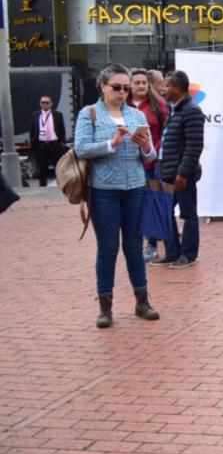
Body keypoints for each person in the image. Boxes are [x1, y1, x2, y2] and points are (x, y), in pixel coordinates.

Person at [73, 63, 160, 328]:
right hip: (103, 191)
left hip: (134, 188)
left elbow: (151, 157)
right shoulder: (90, 114)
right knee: (108, 247)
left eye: (126, 88)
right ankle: (105, 307)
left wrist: (146, 148)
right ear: (102, 86)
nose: (122, 93)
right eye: (117, 88)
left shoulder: (136, 116)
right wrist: (111, 143)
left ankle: (142, 301)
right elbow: (81, 148)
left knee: (134, 247)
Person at [155, 70, 205, 270]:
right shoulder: (173, 109)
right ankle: (172, 253)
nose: (163, 89)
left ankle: (188, 254)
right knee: (165, 212)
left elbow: (194, 145)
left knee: (188, 214)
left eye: (166, 85)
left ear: (177, 88)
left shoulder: (191, 110)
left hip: (182, 175)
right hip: (166, 171)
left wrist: (183, 173)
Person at [129, 69, 168, 262]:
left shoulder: (158, 104)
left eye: (144, 82)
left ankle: (151, 245)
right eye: (137, 83)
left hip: (153, 163)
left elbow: (165, 131)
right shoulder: (122, 106)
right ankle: (133, 244)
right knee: (134, 205)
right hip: (128, 164)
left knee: (152, 203)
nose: (141, 86)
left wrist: (155, 150)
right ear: (129, 85)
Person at [29, 95, 66, 187]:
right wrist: (33, 144)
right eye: (43, 102)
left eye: (47, 102)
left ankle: (60, 185)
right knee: (42, 168)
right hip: (41, 145)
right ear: (40, 104)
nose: (45, 104)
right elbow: (32, 130)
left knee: (58, 166)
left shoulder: (58, 115)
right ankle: (43, 187)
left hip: (54, 144)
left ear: (51, 104)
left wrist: (62, 143)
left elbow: (62, 130)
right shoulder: (35, 115)